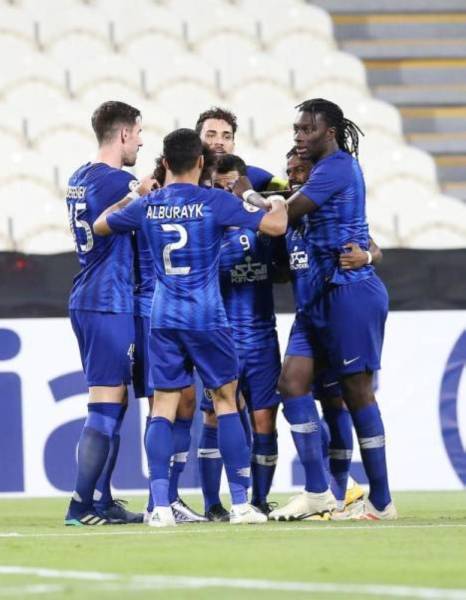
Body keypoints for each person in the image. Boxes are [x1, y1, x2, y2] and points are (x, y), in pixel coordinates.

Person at [93, 128, 288, 527]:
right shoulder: (215, 201)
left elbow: (100, 225)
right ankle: (240, 504)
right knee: (226, 401)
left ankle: (161, 507)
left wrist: (135, 194)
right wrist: (270, 199)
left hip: (163, 318)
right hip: (207, 317)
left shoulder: (149, 205)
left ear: (165, 163)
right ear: (201, 162)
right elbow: (276, 226)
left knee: (163, 406)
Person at [235, 98, 396, 521]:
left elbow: (288, 212)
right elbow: (288, 210)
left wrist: (245, 194)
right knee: (291, 384)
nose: (300, 137)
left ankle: (381, 500)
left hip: (349, 293)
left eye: (308, 130)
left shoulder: (338, 168)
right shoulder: (312, 185)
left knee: (355, 393)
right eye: (296, 130)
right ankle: (318, 491)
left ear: (331, 132)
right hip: (313, 305)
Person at [64, 100, 151, 526]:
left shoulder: (79, 177)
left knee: (113, 402)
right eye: (138, 133)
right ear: (123, 134)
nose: (141, 142)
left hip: (87, 295)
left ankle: (102, 501)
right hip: (108, 300)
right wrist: (144, 192)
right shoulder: (121, 182)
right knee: (104, 403)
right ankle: (80, 506)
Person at [200, 153, 283, 516]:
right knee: (215, 417)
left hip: (263, 339)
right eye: (220, 187)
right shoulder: (207, 229)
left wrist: (256, 196)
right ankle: (213, 504)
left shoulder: (264, 224)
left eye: (233, 186)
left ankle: (259, 501)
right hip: (223, 340)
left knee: (265, 420)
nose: (227, 193)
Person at [195, 106, 288, 192]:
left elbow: (289, 191)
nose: (219, 142)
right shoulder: (187, 179)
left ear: (233, 144)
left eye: (227, 137)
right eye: (211, 135)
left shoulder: (255, 176)